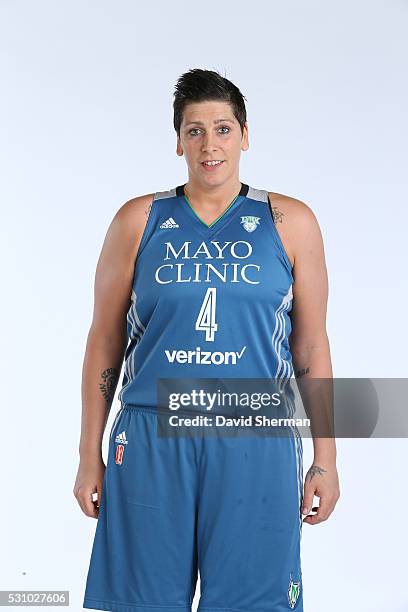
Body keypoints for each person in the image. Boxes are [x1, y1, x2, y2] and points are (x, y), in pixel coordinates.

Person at [74, 68, 340, 612]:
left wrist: (325, 459)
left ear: (244, 134)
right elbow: (103, 340)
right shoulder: (139, 219)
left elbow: (310, 347)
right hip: (152, 433)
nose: (209, 144)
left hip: (254, 433)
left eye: (222, 128)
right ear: (177, 141)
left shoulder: (290, 222)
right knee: (143, 604)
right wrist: (88, 453)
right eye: (195, 131)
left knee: (253, 603)